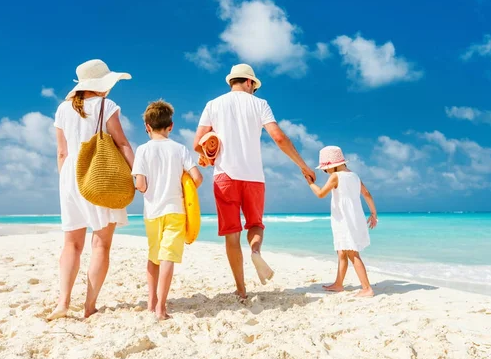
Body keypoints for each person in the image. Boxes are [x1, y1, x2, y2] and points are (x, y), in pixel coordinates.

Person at [193, 63, 316, 301]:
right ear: (249, 82)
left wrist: (209, 150)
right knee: (255, 225)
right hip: (254, 178)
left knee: (232, 234)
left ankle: (241, 289)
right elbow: (279, 138)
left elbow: (197, 143)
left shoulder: (213, 105)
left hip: (224, 176)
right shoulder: (260, 104)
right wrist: (303, 165)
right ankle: (256, 250)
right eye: (254, 87)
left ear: (233, 81)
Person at [49, 59, 134, 320]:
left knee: (71, 244)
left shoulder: (63, 109)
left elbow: (62, 152)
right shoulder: (106, 106)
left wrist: (66, 182)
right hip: (99, 174)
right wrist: (138, 175)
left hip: (70, 177)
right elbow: (122, 143)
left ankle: (62, 304)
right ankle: (89, 306)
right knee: (100, 244)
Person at [133, 100, 203, 320]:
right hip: (175, 210)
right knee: (168, 258)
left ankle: (151, 302)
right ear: (171, 126)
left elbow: (141, 185)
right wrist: (185, 186)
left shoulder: (142, 150)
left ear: (147, 126)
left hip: (152, 212)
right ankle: (161, 308)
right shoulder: (180, 149)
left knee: (154, 256)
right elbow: (197, 177)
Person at [307, 146, 378, 297]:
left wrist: (310, 183)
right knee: (341, 251)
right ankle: (338, 284)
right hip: (353, 217)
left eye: (326, 169)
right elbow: (367, 193)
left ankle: (367, 288)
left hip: (345, 219)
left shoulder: (336, 177)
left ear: (332, 165)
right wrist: (373, 213)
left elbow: (320, 194)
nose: (326, 172)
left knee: (352, 253)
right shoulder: (354, 176)